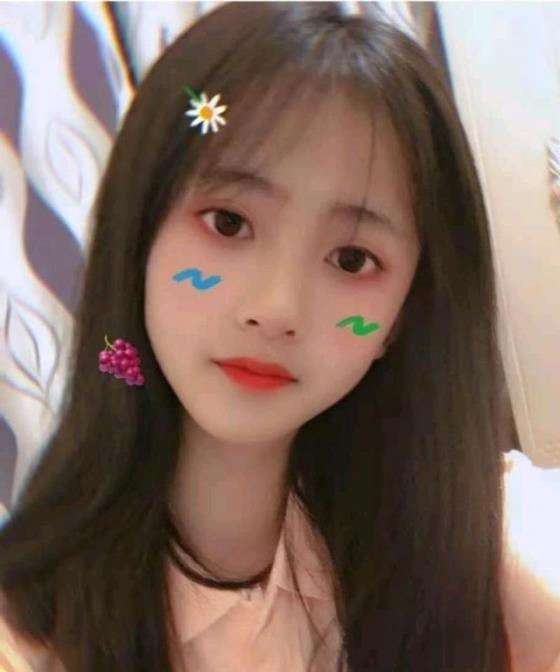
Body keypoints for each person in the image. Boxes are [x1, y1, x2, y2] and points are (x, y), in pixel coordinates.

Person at [0, 2, 559, 671]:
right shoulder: (31, 631)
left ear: (404, 315)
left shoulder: (483, 545)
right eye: (229, 223)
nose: (276, 308)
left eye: (352, 259)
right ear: (140, 234)